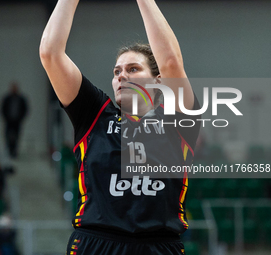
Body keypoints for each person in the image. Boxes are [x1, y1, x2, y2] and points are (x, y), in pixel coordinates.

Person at [40, 0, 200, 254]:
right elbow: (50, 53)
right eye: (116, 72)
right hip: (96, 242)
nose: (121, 76)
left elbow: (170, 61)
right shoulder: (95, 114)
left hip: (158, 244)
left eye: (133, 69)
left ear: (159, 81)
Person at [0, 82, 28, 158]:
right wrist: (6, 118)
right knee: (7, 136)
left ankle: (14, 151)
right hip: (8, 121)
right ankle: (9, 150)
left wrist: (20, 118)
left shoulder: (21, 99)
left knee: (16, 136)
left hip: (17, 121)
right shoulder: (7, 98)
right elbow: (3, 109)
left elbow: (25, 109)